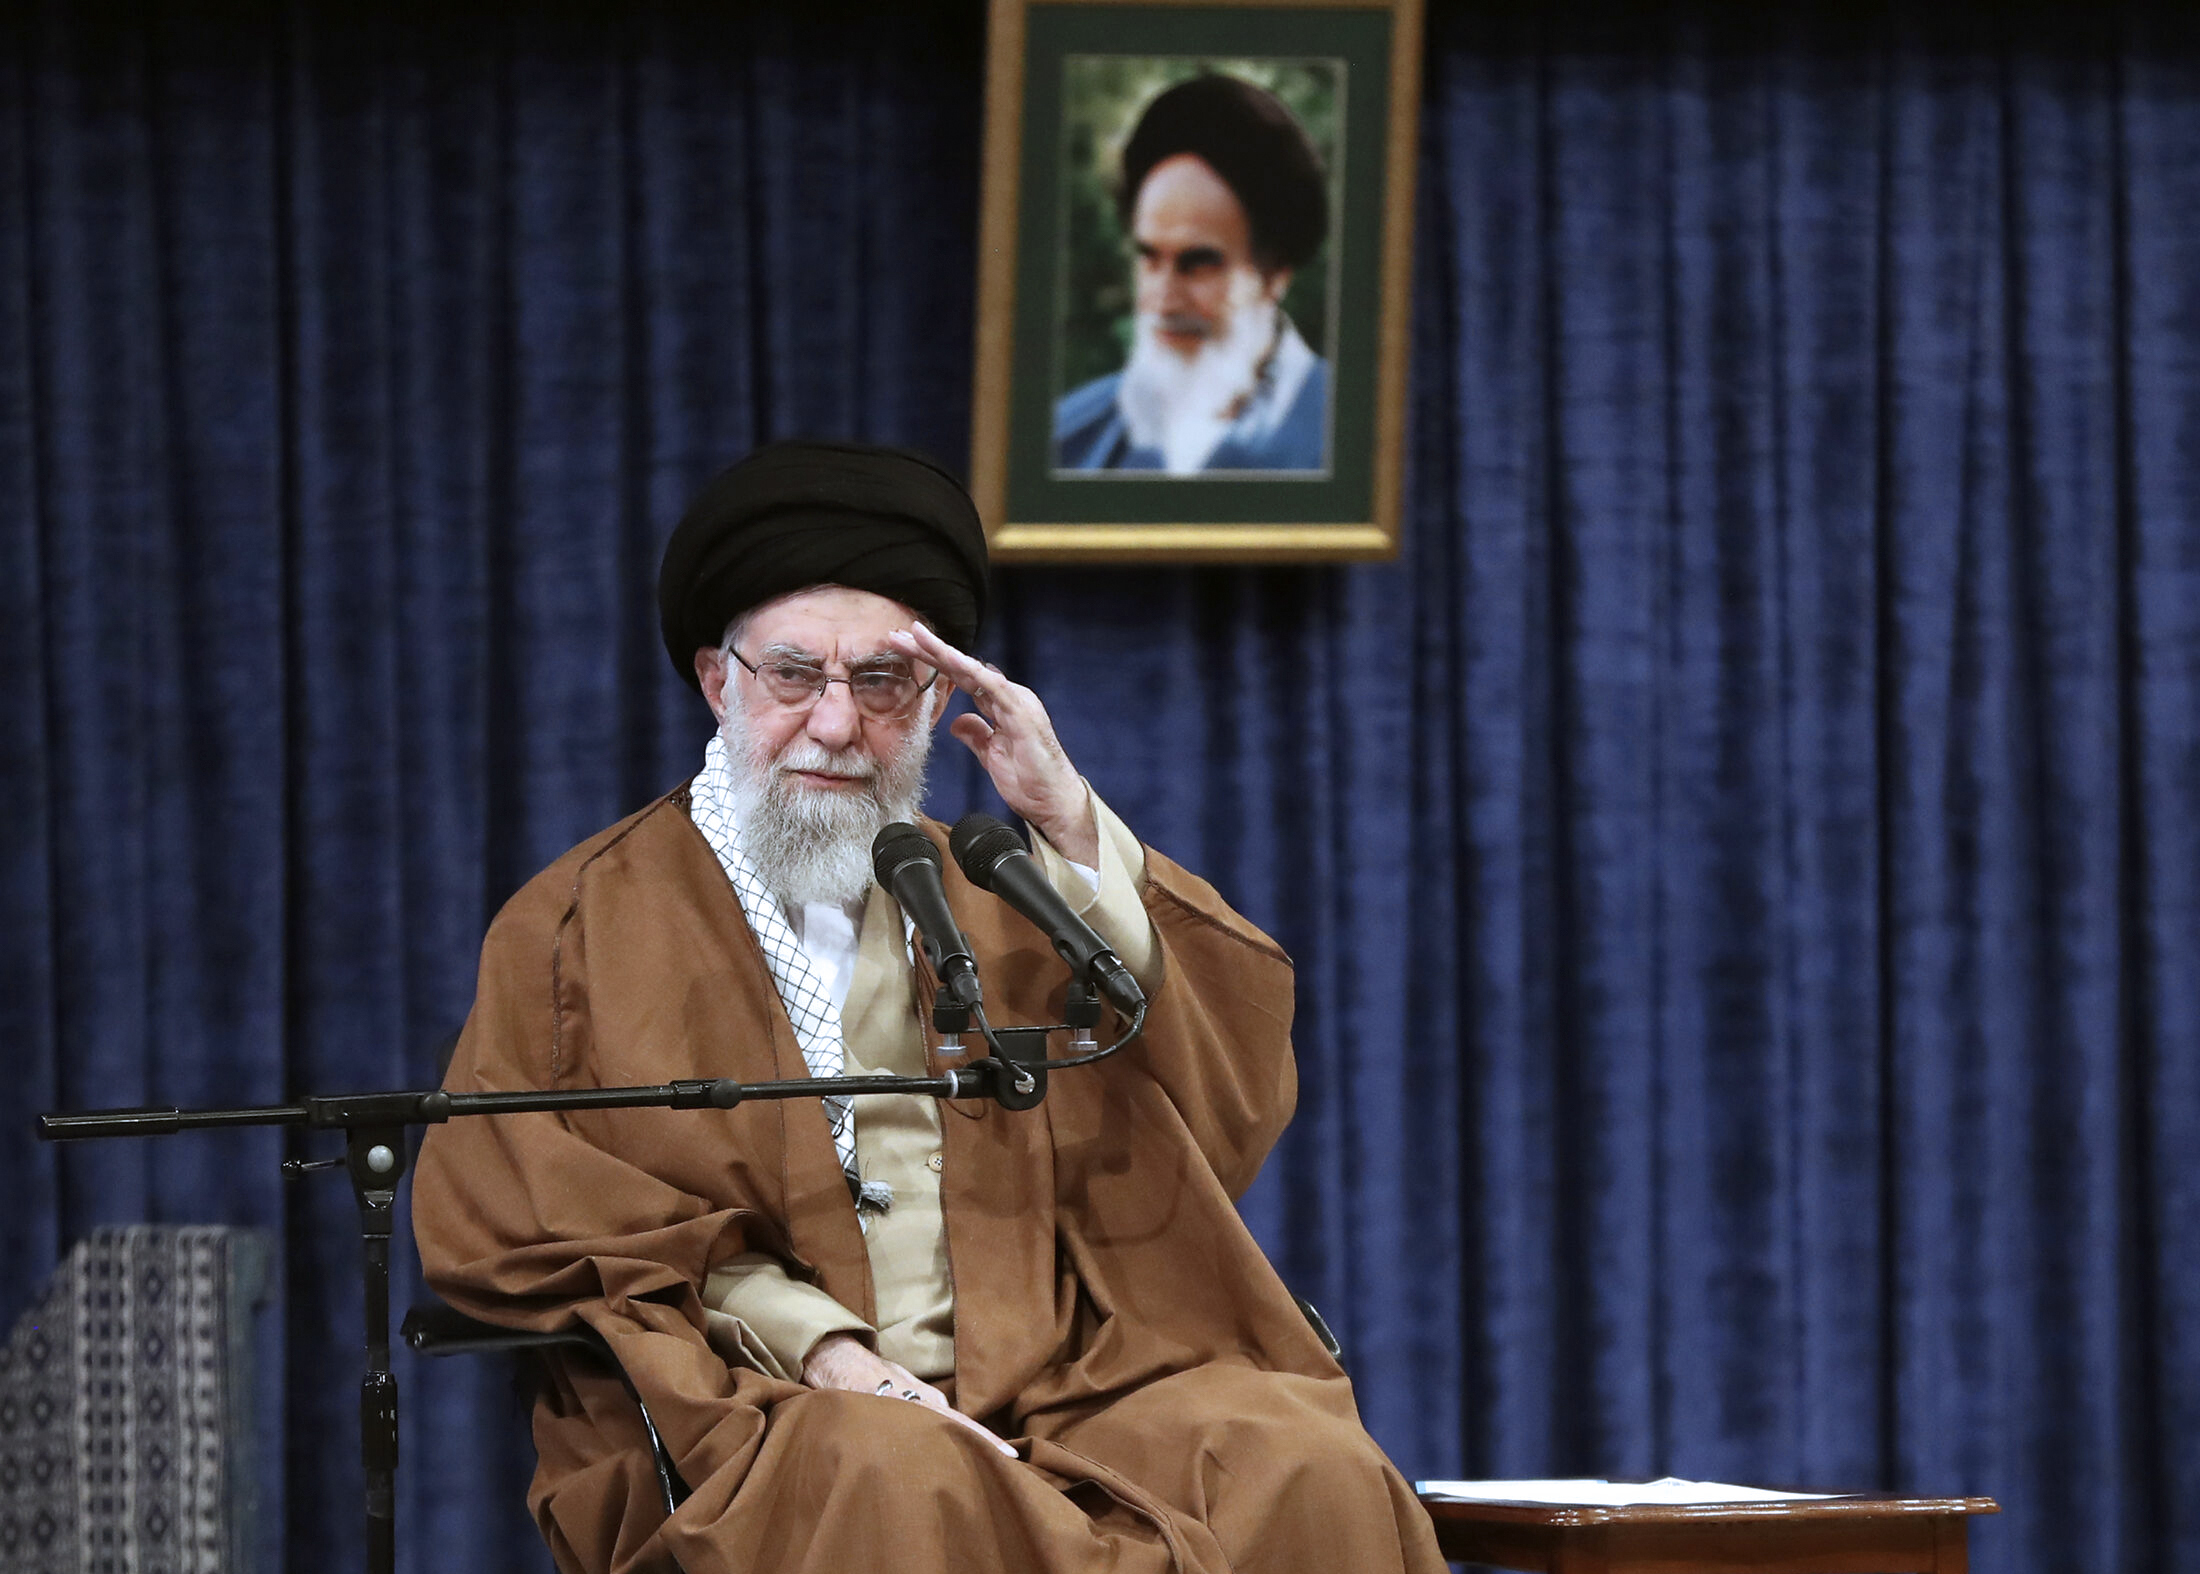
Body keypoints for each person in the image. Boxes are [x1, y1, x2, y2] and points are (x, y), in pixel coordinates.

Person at [413, 441, 1442, 1574]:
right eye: (795, 675)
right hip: (761, 1405)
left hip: (1063, 1385)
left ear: (938, 694)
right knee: (894, 1473)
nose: (837, 724)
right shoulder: (579, 925)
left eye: (882, 682)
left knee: (1301, 1461)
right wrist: (831, 1352)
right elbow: (529, 1212)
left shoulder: (999, 884)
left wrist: (1070, 819)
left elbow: (1225, 1098)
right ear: (720, 681)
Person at [1054, 74, 1332, 475]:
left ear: (1275, 275)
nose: (1163, 298)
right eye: (1149, 258)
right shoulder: (1069, 438)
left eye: (1198, 264)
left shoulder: (1348, 439)